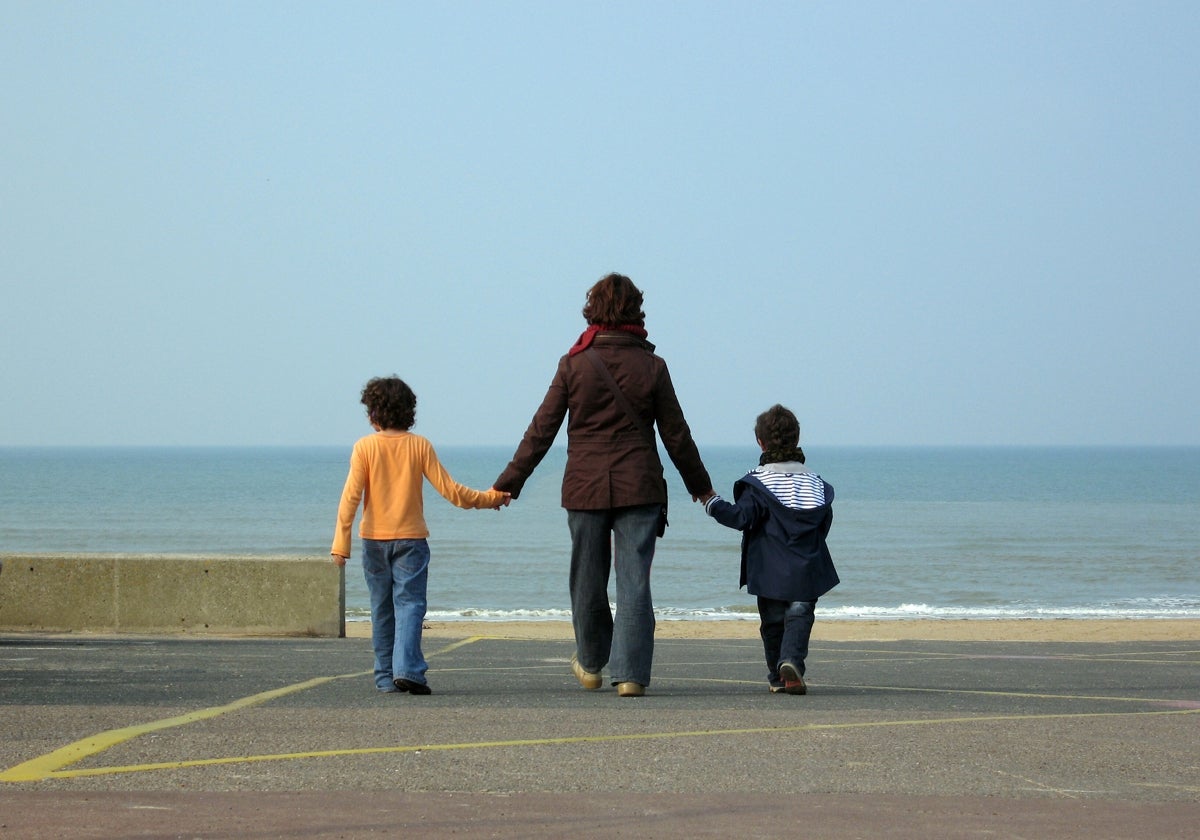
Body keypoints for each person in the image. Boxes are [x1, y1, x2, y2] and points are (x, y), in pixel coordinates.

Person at [494, 272, 713, 697]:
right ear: (636, 311)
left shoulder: (574, 363)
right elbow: (676, 435)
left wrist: (509, 483)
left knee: (587, 578)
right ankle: (630, 675)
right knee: (634, 581)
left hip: (585, 486)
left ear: (593, 309)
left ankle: (592, 663)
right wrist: (701, 488)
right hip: (639, 485)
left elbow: (541, 430)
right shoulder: (652, 366)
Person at [331, 376, 509, 695]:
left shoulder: (364, 447)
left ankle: (386, 677)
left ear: (373, 414)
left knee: (381, 609)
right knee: (410, 604)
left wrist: (340, 544)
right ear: (409, 412)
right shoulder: (419, 445)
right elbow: (452, 492)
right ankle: (408, 670)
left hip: (372, 541)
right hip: (410, 541)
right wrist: (491, 498)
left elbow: (350, 499)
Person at [703, 404, 838, 695]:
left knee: (773, 623)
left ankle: (778, 676)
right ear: (797, 440)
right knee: (800, 615)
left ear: (760, 442)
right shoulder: (815, 484)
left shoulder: (758, 485)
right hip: (806, 567)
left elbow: (741, 518)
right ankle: (791, 663)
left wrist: (712, 503)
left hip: (768, 570)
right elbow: (823, 523)